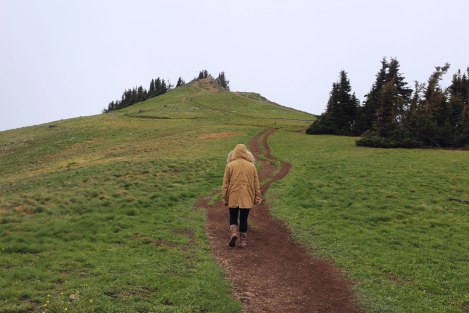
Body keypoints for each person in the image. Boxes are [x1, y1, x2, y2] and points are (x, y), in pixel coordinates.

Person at [222, 144, 262, 248]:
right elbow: (256, 183)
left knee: (233, 217)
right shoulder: (251, 166)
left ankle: (234, 233)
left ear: (234, 153)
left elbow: (225, 183)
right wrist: (258, 196)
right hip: (247, 196)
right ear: (246, 153)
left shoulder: (230, 165)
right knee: (244, 219)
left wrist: (224, 197)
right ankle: (243, 241)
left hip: (233, 195)